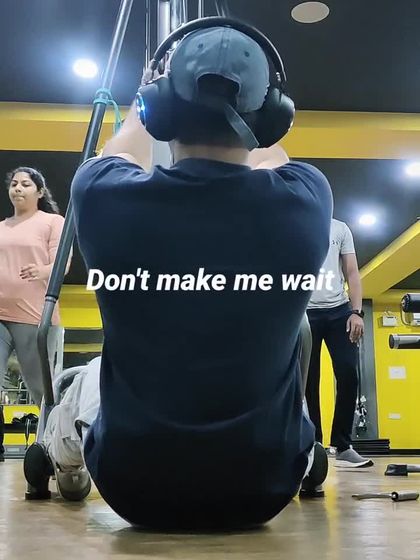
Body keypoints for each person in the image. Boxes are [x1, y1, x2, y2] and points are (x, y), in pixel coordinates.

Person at [26, 24, 333, 529]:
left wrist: (145, 98)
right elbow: (270, 156)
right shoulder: (307, 197)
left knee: (86, 376)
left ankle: (62, 462)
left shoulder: (100, 192)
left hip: (133, 487)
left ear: (160, 105)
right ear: (273, 115)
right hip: (265, 487)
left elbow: (124, 148)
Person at [0, 167, 68, 462]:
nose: (18, 188)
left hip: (34, 317)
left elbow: (62, 264)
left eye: (25, 184)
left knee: (41, 389)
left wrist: (41, 270)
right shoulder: (1, 227)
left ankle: (52, 448)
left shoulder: (52, 222)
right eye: (14, 184)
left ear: (39, 192)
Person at [305, 218, 374, 468]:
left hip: (339, 311)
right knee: (308, 380)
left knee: (348, 374)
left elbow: (352, 272)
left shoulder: (340, 228)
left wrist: (357, 312)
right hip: (304, 311)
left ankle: (343, 446)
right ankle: (313, 445)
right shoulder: (295, 219)